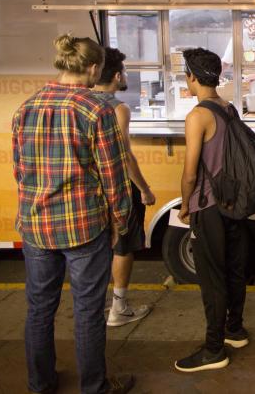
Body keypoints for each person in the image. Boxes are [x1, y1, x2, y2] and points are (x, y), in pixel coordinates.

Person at [12, 35, 134, 394]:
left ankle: (41, 384)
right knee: (87, 311)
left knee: (38, 309)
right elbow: (114, 176)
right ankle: (94, 387)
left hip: (35, 225)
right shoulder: (97, 110)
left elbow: (19, 170)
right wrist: (120, 222)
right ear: (94, 68)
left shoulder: (26, 106)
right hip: (83, 226)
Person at [174, 47, 250, 372]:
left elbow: (191, 171)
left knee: (212, 278)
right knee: (234, 270)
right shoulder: (227, 108)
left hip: (208, 206)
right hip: (233, 203)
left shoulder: (197, 116)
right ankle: (235, 329)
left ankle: (214, 350)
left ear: (192, 76)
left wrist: (184, 205)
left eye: (185, 74)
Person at [93, 47, 156, 327]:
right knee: (122, 245)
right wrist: (144, 188)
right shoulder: (118, 108)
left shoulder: (81, 102)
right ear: (117, 75)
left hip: (90, 189)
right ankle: (119, 307)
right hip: (117, 188)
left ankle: (94, 305)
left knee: (96, 246)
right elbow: (124, 154)